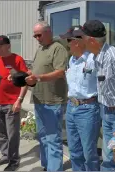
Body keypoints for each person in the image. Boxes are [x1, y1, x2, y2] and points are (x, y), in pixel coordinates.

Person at [80, 20, 115, 171]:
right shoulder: (95, 57)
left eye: (83, 38)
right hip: (107, 113)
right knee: (108, 159)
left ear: (91, 40)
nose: (81, 42)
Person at [25, 21, 68, 171]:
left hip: (53, 101)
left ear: (48, 32)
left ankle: (54, 169)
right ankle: (46, 166)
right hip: (39, 100)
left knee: (53, 139)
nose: (37, 38)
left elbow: (60, 72)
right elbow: (34, 71)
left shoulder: (58, 48)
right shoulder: (40, 49)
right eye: (34, 35)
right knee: (42, 137)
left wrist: (38, 78)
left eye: (39, 35)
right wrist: (23, 75)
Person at [59, 26, 101, 171]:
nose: (67, 44)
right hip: (71, 108)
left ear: (77, 41)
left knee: (89, 154)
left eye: (68, 40)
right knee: (75, 152)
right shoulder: (71, 60)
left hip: (88, 109)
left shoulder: (93, 59)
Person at [0, 35, 29, 171]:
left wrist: (19, 100)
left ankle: (14, 160)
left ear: (8, 46)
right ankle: (5, 155)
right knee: (1, 132)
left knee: (12, 133)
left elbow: (25, 81)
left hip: (11, 103)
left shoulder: (17, 59)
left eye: (0, 45)